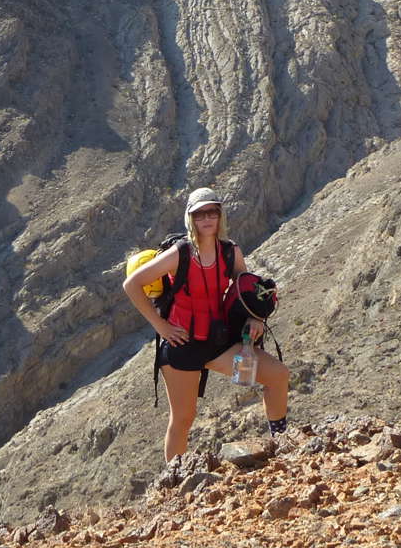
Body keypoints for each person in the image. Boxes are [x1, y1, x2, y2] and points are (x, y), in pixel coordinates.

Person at [122, 187, 290, 461]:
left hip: (218, 341)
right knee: (183, 419)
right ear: (190, 218)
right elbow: (132, 285)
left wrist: (255, 317)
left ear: (220, 215)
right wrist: (161, 327)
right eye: (199, 214)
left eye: (212, 212)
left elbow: (247, 289)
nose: (206, 218)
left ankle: (281, 443)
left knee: (278, 376)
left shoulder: (230, 252)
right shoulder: (180, 253)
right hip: (182, 345)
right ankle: (174, 480)